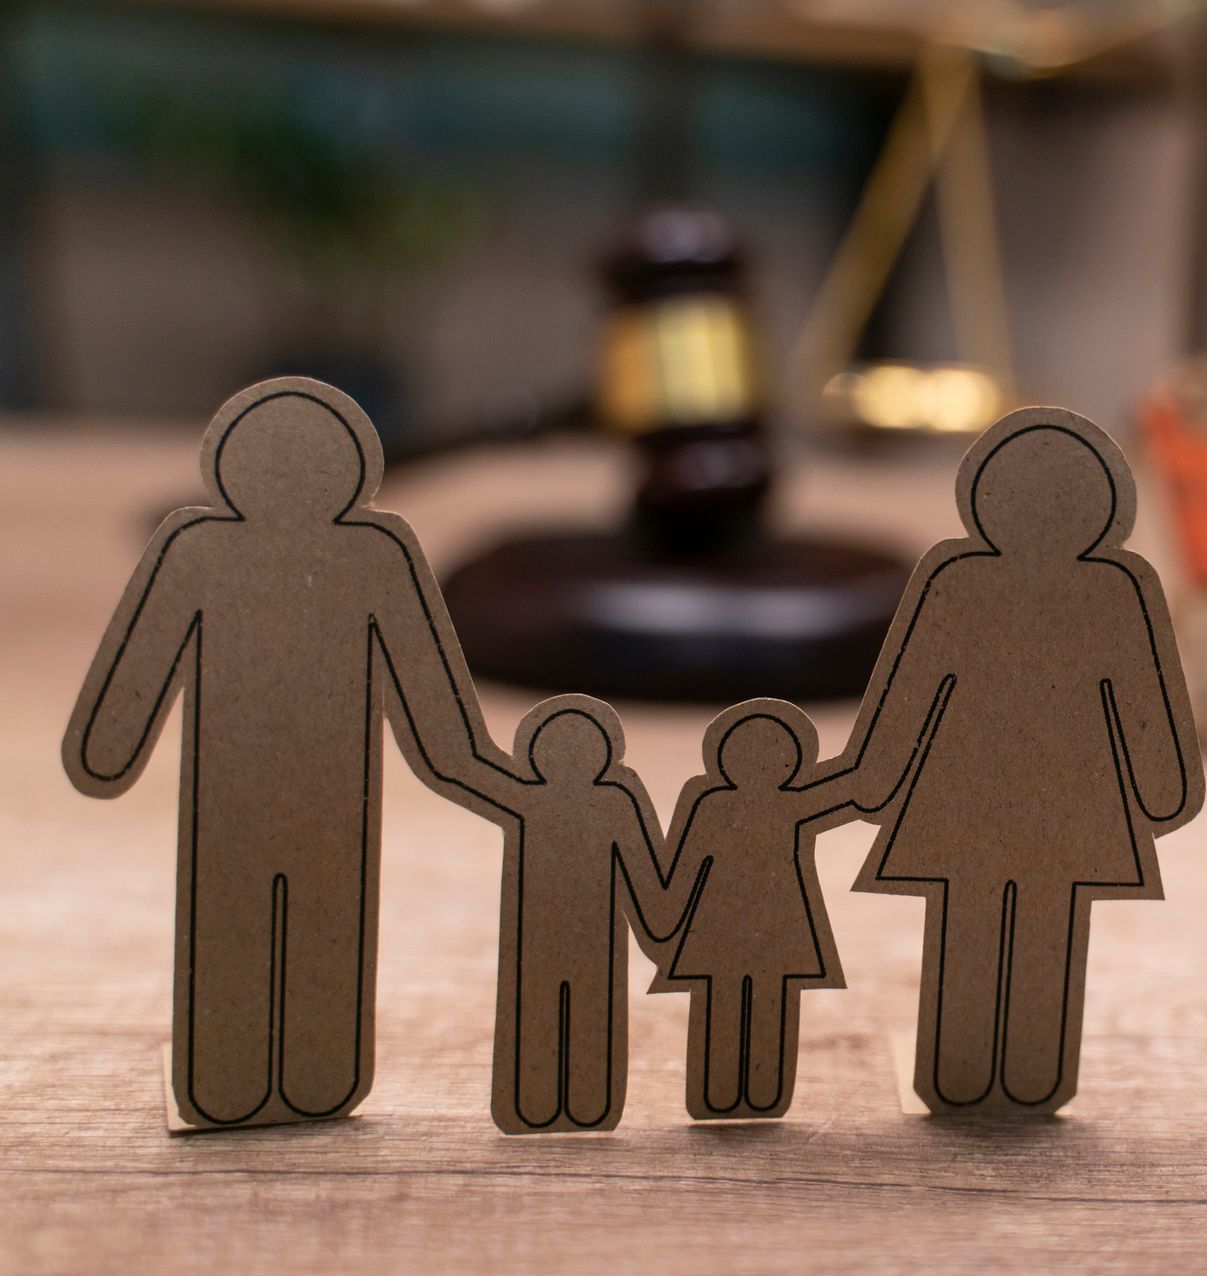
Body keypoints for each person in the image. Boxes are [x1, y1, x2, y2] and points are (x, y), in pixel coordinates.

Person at [62, 377, 504, 1129]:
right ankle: (251, 1076)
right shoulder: (205, 547)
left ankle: (294, 1075)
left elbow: (421, 674)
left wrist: (468, 767)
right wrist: (469, 766)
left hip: (327, 794)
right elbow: (144, 658)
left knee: (314, 921)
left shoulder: (368, 554)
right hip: (242, 788)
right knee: (239, 920)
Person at [834, 407, 1203, 1114]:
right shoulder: (963, 580)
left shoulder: (1110, 590)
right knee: (992, 922)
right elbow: (916, 683)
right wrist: (1161, 790)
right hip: (991, 799)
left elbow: (1140, 695)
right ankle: (978, 1069)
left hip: (1049, 802)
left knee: (1034, 925)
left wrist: (876, 781)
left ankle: (1016, 1070)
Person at [447, 694, 677, 1134]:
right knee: (537, 1011)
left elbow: (642, 869)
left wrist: (663, 932)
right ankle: (535, 1100)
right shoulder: (526, 797)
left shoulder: (613, 802)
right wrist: (662, 931)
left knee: (592, 1014)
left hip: (597, 938)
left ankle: (586, 1101)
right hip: (535, 937)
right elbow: (464, 769)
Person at [651, 700, 852, 1120]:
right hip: (719, 926)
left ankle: (761, 1090)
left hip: (779, 926)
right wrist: (665, 926)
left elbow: (855, 786)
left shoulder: (794, 802)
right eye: (750, 753)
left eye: (772, 755)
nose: (760, 765)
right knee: (723, 1002)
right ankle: (719, 1091)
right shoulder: (710, 803)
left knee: (769, 1004)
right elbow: (684, 868)